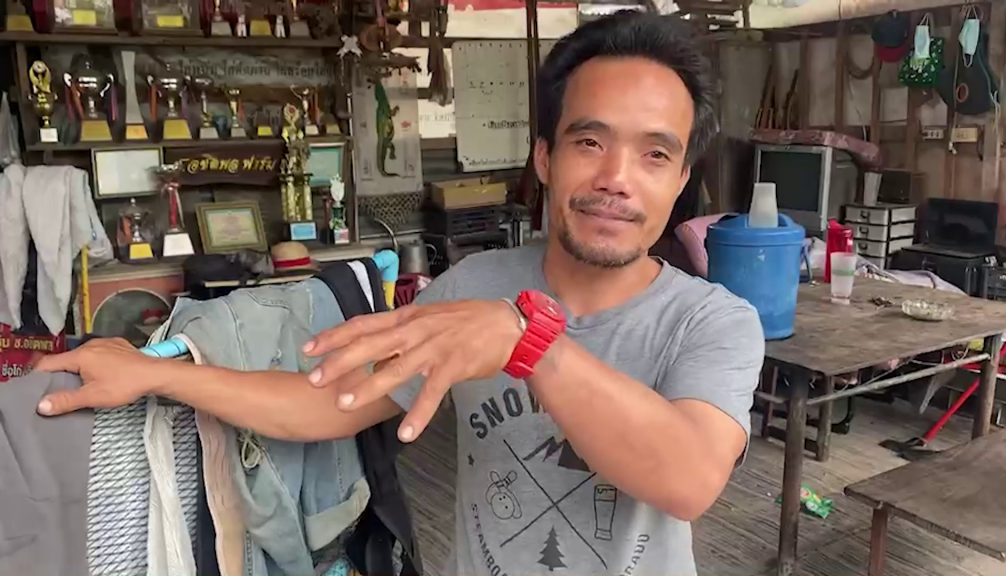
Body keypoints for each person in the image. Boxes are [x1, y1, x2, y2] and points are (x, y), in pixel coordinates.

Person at [36, 11, 764, 576]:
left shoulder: (712, 322)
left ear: (680, 178)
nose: (616, 178)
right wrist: (158, 372)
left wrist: (529, 344)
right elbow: (331, 401)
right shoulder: (475, 288)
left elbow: (688, 479)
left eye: (654, 154)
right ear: (545, 157)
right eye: (589, 142)